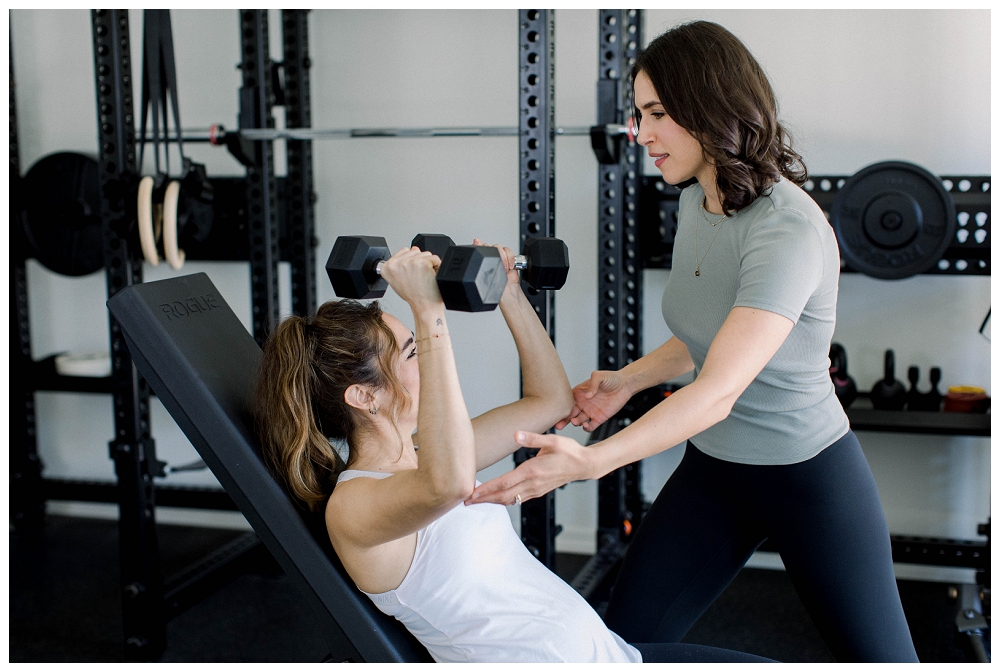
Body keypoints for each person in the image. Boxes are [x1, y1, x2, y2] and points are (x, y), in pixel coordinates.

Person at [468, 21, 920, 663]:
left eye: (656, 113)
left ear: (710, 106)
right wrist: (629, 378)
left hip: (807, 473)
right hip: (718, 472)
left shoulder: (787, 229)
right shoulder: (699, 199)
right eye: (637, 114)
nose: (639, 134)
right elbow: (711, 336)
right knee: (622, 646)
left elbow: (718, 390)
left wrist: (591, 460)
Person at [254, 241, 769, 663]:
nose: (423, 353)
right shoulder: (355, 507)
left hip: (610, 657)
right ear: (364, 396)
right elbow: (449, 483)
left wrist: (510, 295)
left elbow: (549, 400)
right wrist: (428, 312)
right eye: (410, 352)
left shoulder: (422, 454)